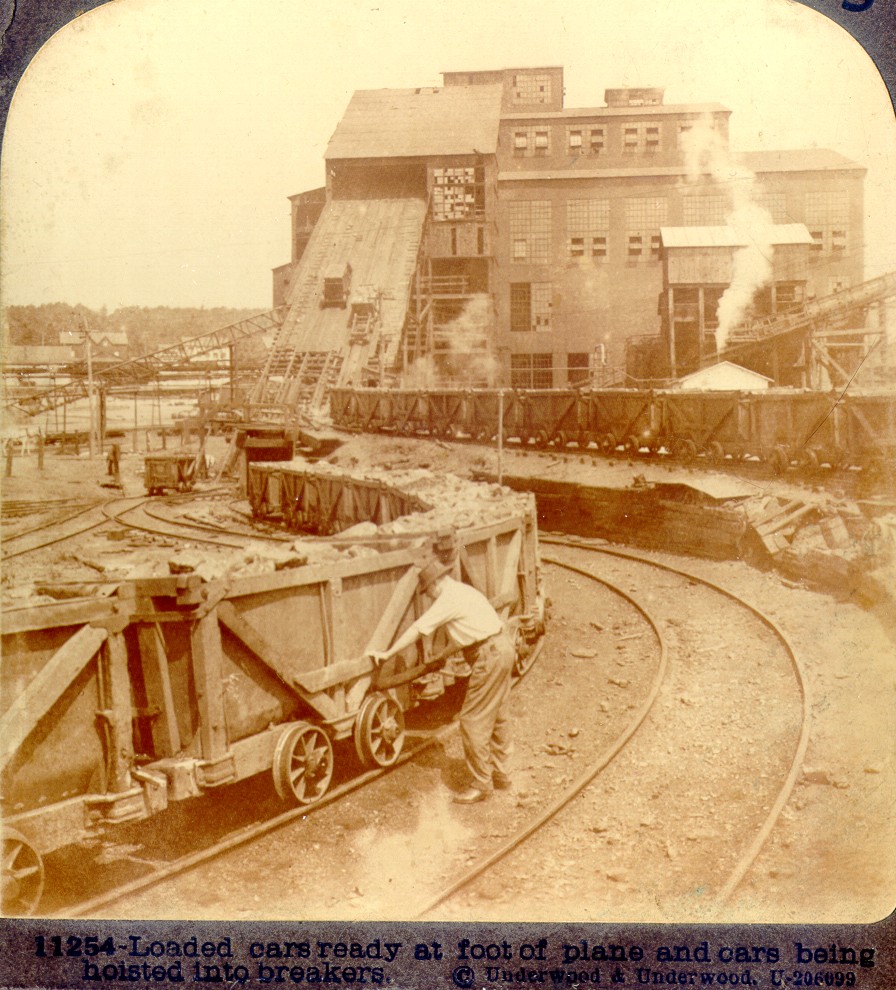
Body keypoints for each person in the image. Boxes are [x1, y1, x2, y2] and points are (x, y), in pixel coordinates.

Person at [369, 557, 516, 803]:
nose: (429, 596)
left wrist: (387, 653)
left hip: (489, 655)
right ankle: (502, 774)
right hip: (502, 647)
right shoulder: (463, 591)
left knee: (472, 719)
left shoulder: (448, 598)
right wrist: (442, 655)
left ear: (437, 582)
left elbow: (418, 627)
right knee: (498, 715)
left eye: (428, 591)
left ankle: (482, 783)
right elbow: (469, 634)